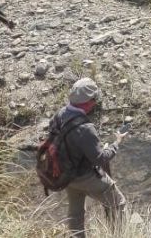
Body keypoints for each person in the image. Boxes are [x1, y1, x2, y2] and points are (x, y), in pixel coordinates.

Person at [49, 78, 127, 238]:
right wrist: (116, 143)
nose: (95, 103)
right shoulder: (86, 128)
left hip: (66, 175)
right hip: (87, 177)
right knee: (118, 203)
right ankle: (118, 234)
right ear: (87, 102)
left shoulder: (59, 115)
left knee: (76, 213)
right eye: (94, 99)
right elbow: (100, 159)